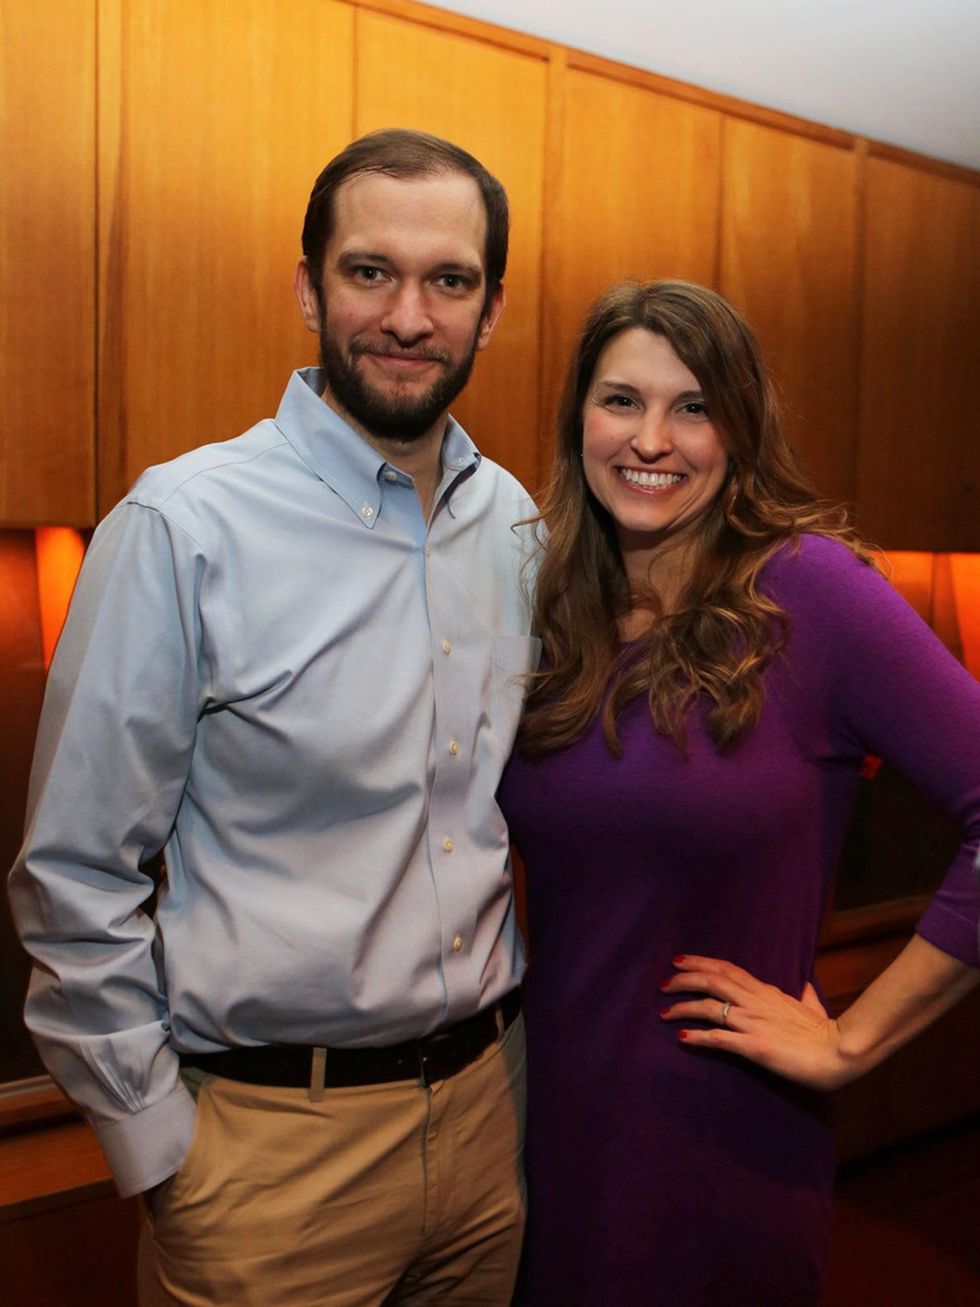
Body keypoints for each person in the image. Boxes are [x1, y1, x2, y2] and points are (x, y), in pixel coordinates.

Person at [9, 129, 540, 1306]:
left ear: (489, 309)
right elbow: (74, 870)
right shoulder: (183, 524)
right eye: (369, 271)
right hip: (268, 1157)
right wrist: (161, 1149)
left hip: (487, 1117)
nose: (408, 314)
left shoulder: (513, 524)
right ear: (307, 286)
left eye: (447, 280)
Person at [498, 280, 980, 1305]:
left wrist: (855, 1036)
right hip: (541, 1118)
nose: (651, 438)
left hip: (714, 1133)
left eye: (692, 405)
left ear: (738, 428)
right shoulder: (555, 604)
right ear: (577, 417)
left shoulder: (810, 590)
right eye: (620, 399)